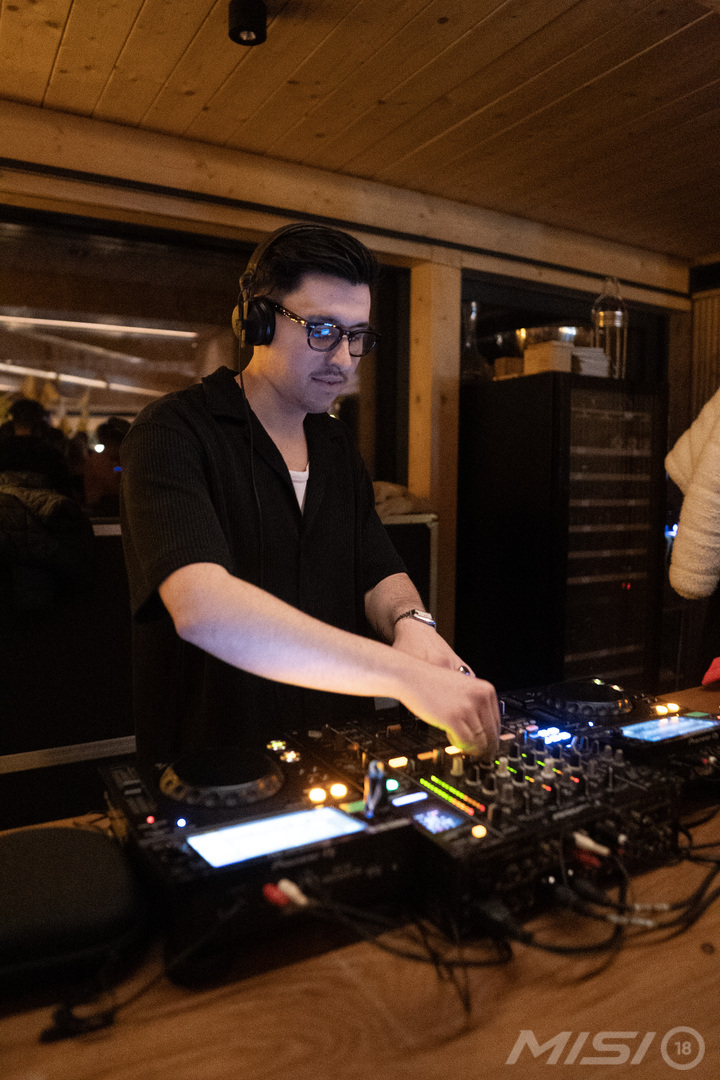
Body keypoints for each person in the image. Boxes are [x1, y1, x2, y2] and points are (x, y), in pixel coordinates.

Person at [120, 223, 500, 774]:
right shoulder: (171, 431)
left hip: (336, 759)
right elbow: (204, 609)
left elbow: (377, 568)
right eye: (322, 330)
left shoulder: (335, 445)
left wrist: (412, 623)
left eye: (357, 336)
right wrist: (403, 676)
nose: (344, 359)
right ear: (258, 320)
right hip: (212, 773)